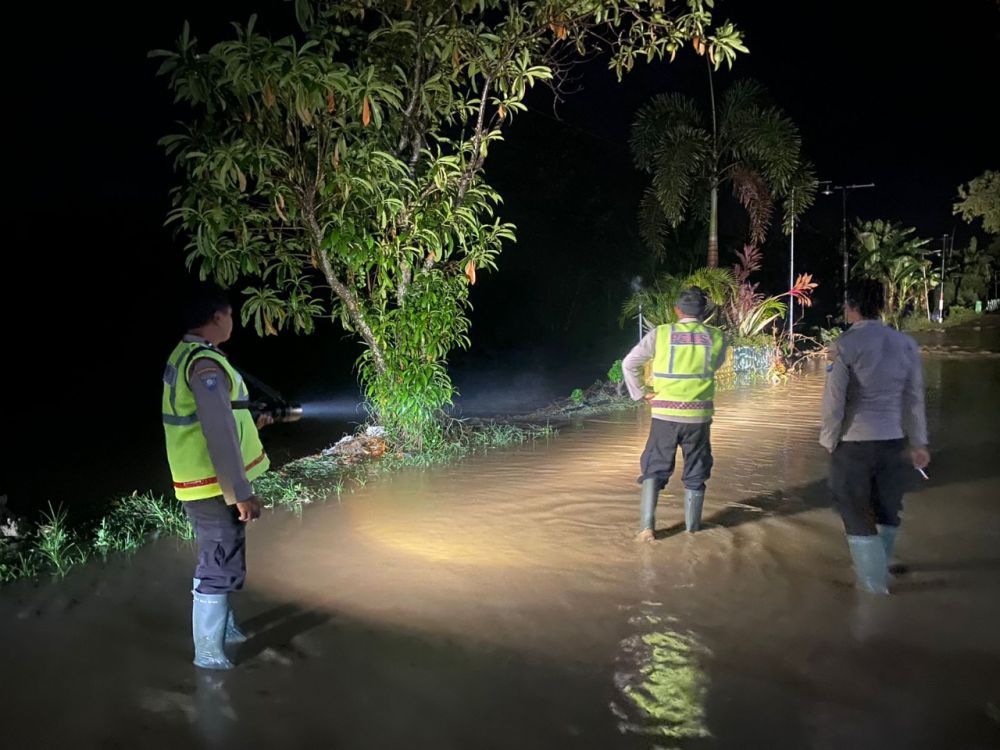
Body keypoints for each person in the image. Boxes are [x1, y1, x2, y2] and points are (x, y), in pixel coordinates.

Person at [162, 284, 271, 669]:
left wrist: (253, 418)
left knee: (225, 552)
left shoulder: (191, 355)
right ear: (216, 318)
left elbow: (222, 417)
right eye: (230, 315)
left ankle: (224, 630)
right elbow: (218, 433)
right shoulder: (205, 366)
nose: (233, 323)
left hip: (206, 483)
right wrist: (240, 492)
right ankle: (207, 655)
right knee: (219, 558)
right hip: (211, 484)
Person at [820, 284, 929, 594]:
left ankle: (872, 588)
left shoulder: (844, 345)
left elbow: (834, 401)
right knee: (887, 509)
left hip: (854, 443)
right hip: (894, 442)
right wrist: (919, 442)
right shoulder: (905, 344)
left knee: (855, 511)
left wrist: (829, 440)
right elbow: (914, 398)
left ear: (852, 306)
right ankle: (878, 573)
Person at [622, 287, 727, 541]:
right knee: (696, 471)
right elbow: (716, 364)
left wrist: (642, 393)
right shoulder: (717, 337)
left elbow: (629, 364)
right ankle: (693, 531)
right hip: (698, 418)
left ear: (677, 310)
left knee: (654, 468)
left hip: (665, 415)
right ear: (704, 313)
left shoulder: (661, 334)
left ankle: (646, 529)